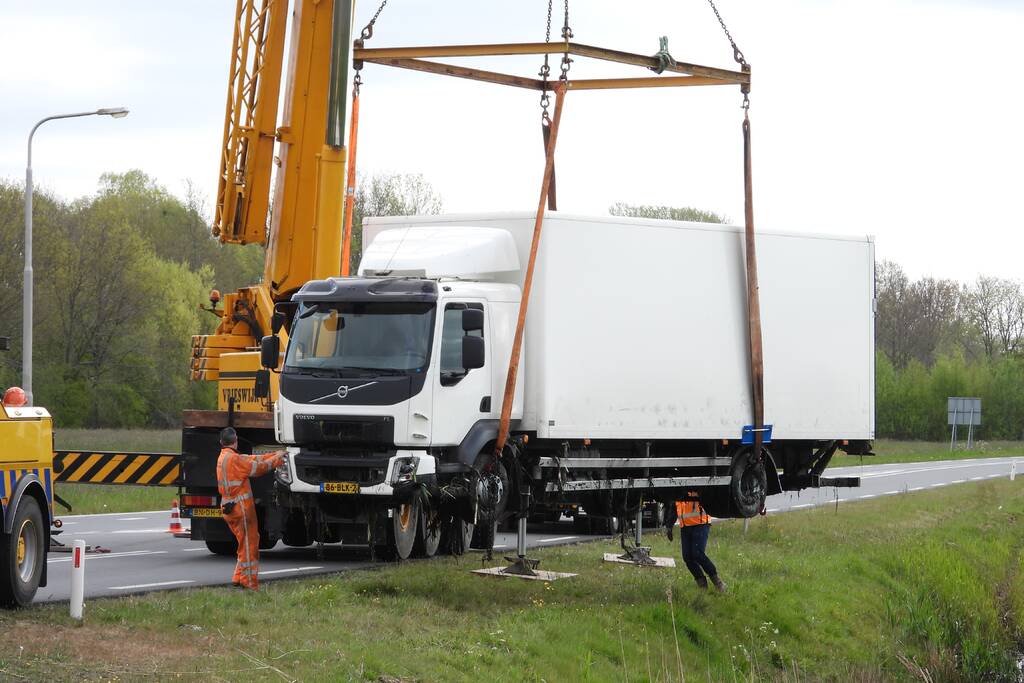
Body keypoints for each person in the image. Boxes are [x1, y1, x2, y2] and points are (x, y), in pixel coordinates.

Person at [216, 427, 286, 590]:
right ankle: (248, 582)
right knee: (250, 544)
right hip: (240, 508)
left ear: (221, 442)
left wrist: (274, 454)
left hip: (228, 508)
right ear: (236, 441)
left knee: (243, 543)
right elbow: (259, 467)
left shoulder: (224, 457)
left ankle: (238, 576)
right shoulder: (235, 460)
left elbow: (252, 458)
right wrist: (278, 460)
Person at [664, 492, 726, 593]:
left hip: (700, 523)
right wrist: (669, 526)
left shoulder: (696, 485)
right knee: (687, 557)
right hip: (685, 525)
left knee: (697, 553)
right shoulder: (678, 489)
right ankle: (702, 585)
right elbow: (674, 506)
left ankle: (717, 582)